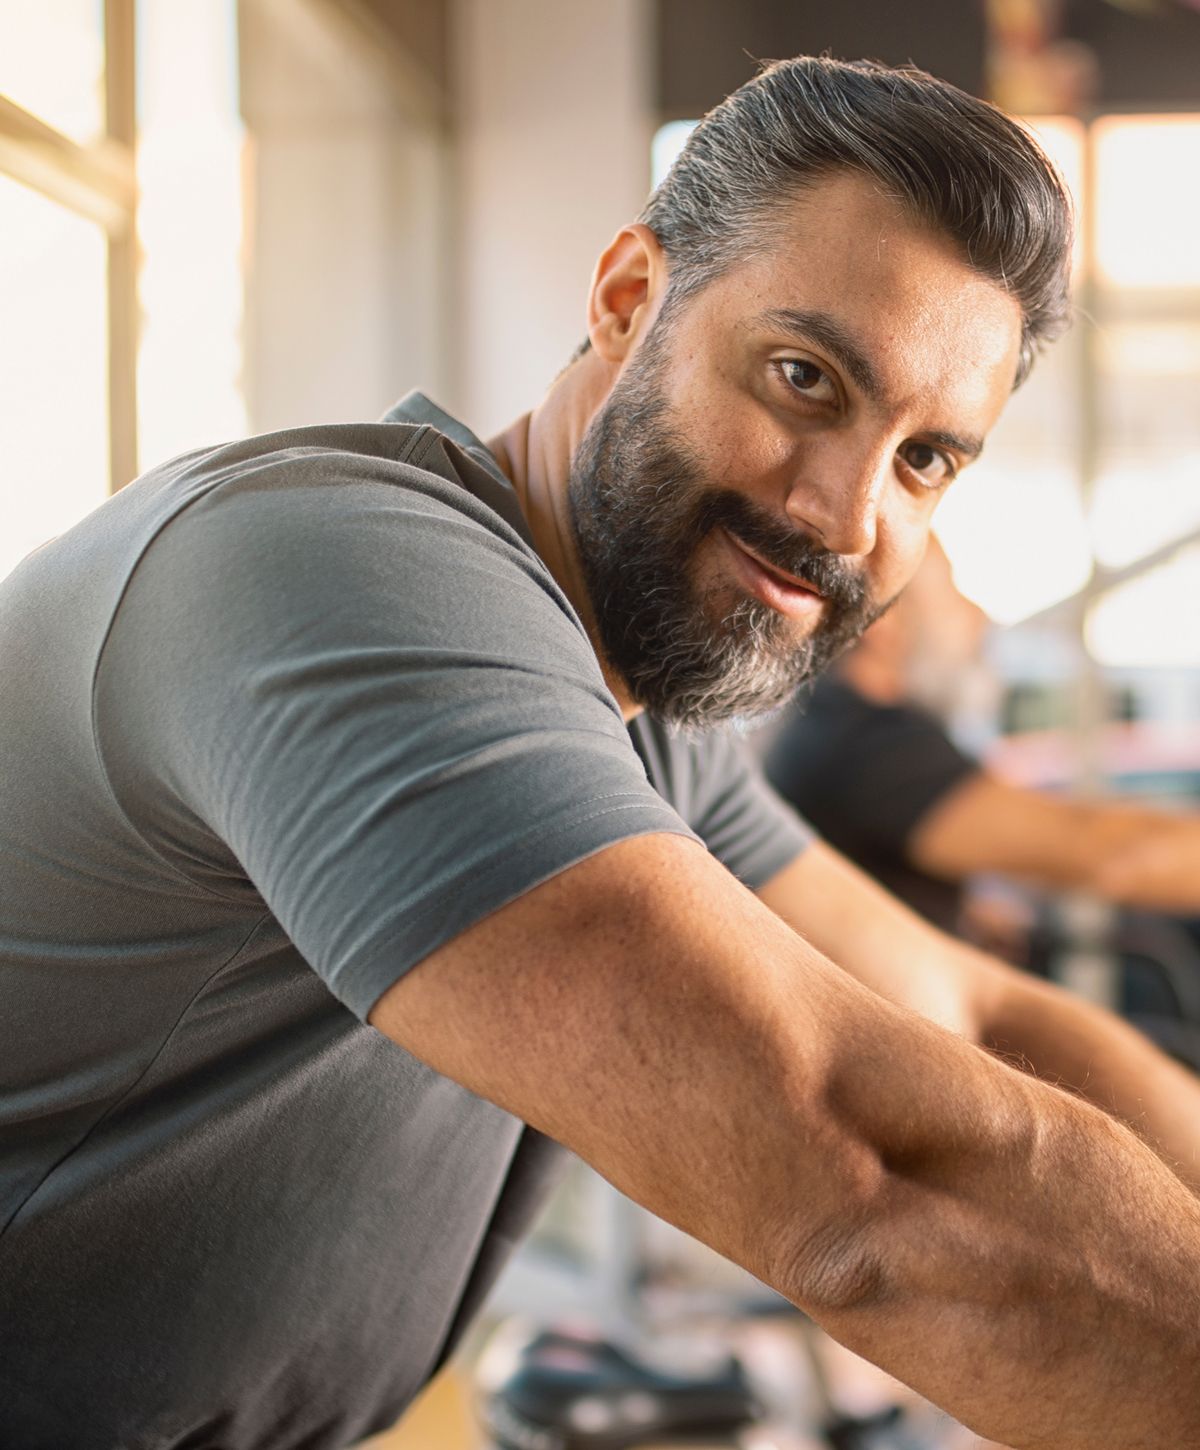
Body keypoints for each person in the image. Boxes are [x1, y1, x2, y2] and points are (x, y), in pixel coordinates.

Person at [2, 56, 1200, 1450]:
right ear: (630, 300)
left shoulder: (631, 704)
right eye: (805, 379)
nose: (846, 511)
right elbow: (880, 1191)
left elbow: (978, 1021)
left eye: (926, 459)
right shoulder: (344, 579)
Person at [765, 535, 1200, 934]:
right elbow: (1112, 853)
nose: (978, 617)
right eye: (951, 594)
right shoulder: (871, 746)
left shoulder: (833, 723)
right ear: (882, 622)